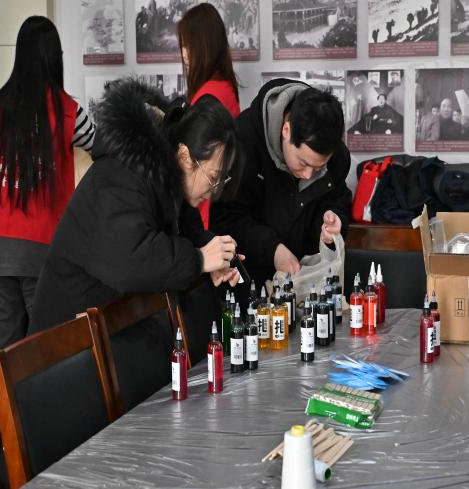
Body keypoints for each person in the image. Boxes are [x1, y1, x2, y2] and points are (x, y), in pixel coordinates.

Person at [30, 79, 241, 333]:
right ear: (185, 156)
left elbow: (189, 234)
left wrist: (215, 258)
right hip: (67, 339)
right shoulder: (121, 175)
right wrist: (199, 259)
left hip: (110, 327)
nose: (214, 190)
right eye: (213, 177)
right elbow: (132, 259)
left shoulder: (167, 180)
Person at [0, 16, 95, 353]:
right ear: (55, 58)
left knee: (2, 351)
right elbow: (104, 148)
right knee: (45, 348)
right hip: (41, 247)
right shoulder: (69, 112)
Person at [210, 78, 351, 290]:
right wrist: (273, 250)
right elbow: (226, 217)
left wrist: (332, 224)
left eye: (318, 167)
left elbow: (337, 200)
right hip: (247, 282)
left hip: (304, 285)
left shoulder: (334, 155)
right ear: (286, 130)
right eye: (303, 163)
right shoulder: (244, 141)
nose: (308, 175)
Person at [178, 2, 241, 230]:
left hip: (207, 211)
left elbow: (204, 170)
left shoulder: (210, 96)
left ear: (204, 46)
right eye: (182, 46)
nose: (184, 54)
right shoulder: (224, 86)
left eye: (188, 45)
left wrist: (199, 234)